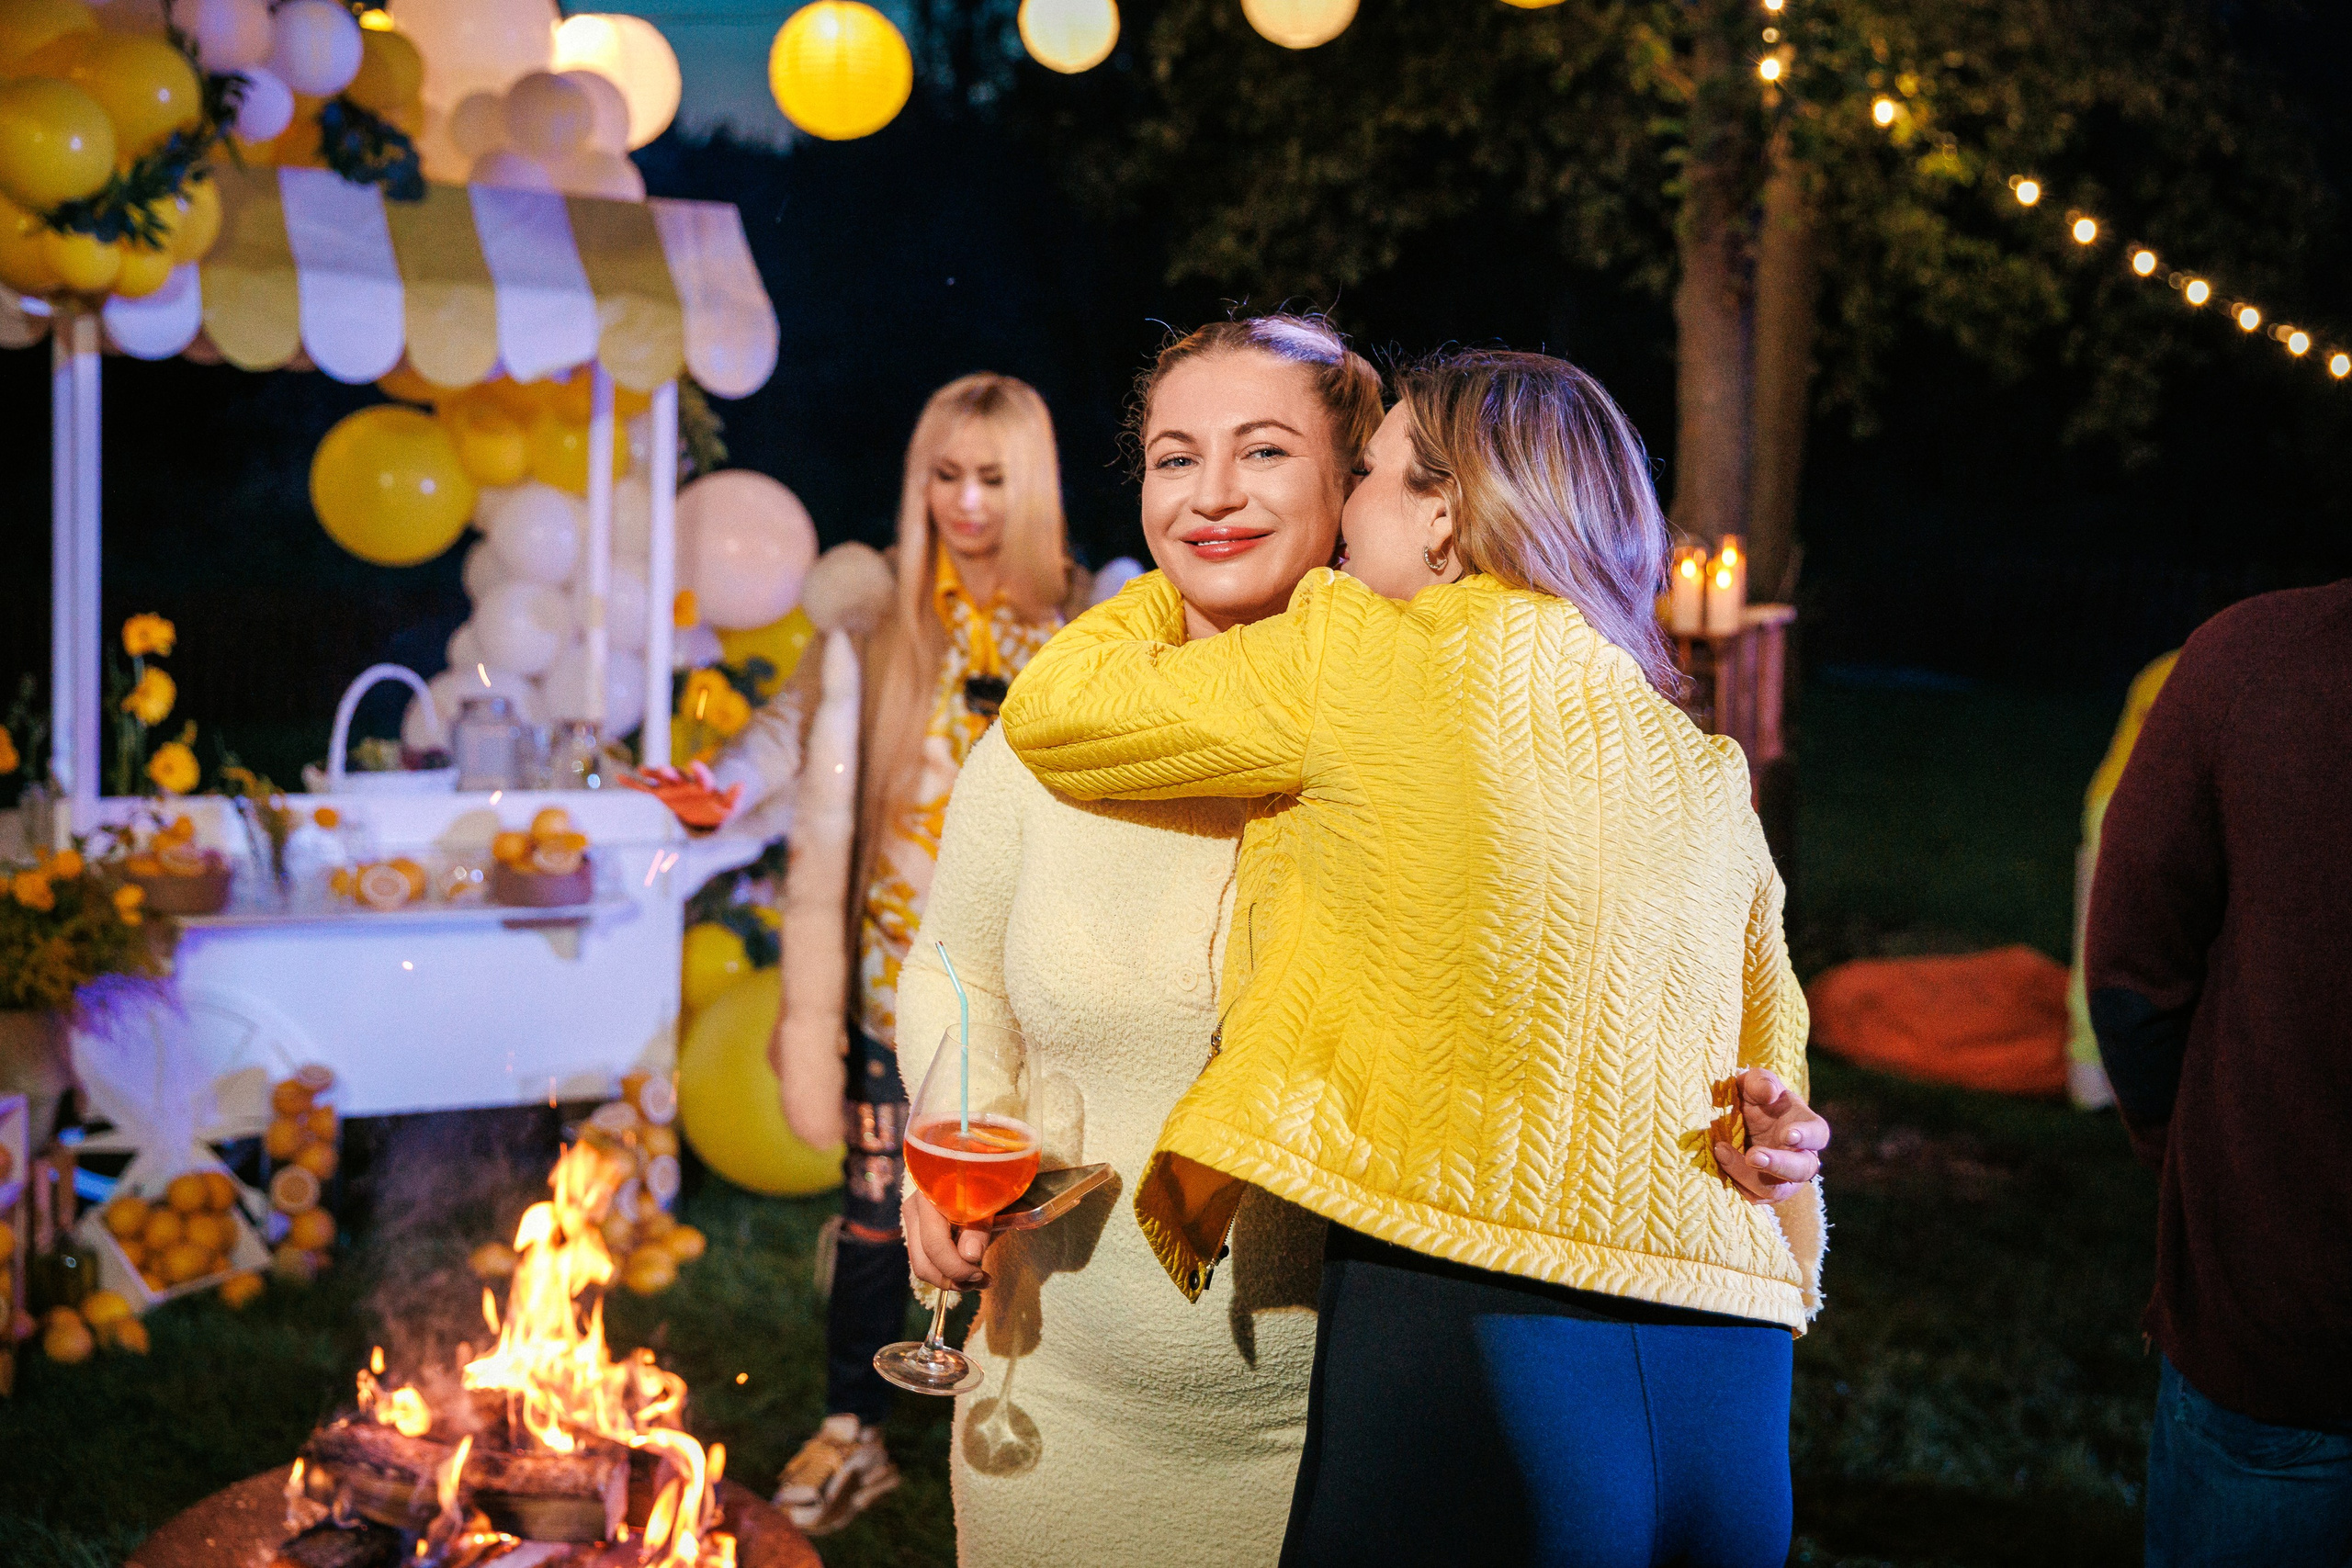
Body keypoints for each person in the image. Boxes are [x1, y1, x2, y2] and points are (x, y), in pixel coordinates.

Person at [998, 349, 1829, 1567]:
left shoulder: (1357, 652)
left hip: (1480, 1335)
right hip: (1733, 1386)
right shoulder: (1702, 767)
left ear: (1447, 512)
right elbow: (1780, 1103)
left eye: (1374, 478)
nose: (1341, 524)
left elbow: (1059, 709)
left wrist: (1157, 586)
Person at [886, 314, 1384, 1566]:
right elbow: (954, 968)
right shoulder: (1058, 731)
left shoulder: (1405, 750)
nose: (1210, 495)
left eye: (1263, 451)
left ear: (1350, 483)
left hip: (1334, 1437)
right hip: (1047, 1411)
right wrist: (953, 1141)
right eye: (1174, 457)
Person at [705, 372, 1088, 1534]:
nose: (966, 503)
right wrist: (715, 786)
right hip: (891, 981)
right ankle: (850, 1431)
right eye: (944, 474)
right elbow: (784, 730)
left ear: (1033, 487)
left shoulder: (1087, 622)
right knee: (876, 1208)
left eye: (992, 478)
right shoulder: (875, 613)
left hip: (1040, 981)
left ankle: (1052, 1428)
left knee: (1035, 1221)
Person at [2083, 582, 2352, 1567]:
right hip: (2281, 1333)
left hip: (2277, 1317)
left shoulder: (2252, 659)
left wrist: (2192, 1158)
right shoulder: (2250, 663)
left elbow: (2130, 973)